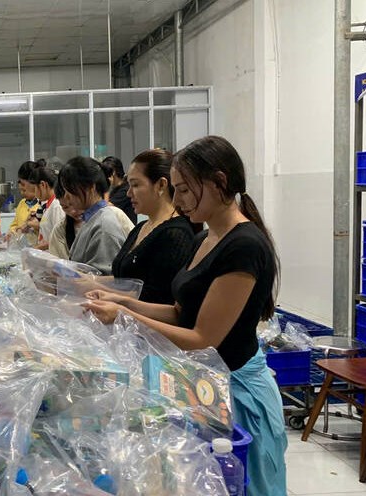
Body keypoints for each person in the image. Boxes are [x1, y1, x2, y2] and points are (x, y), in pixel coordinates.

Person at [83, 135, 287, 496]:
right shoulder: (204, 238)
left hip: (236, 389)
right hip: (206, 386)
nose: (177, 201)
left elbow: (202, 339)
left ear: (219, 183)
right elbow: (180, 313)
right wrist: (124, 302)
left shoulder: (244, 246)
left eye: (184, 190)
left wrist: (124, 317)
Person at [111, 149, 195, 304]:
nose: (129, 193)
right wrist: (90, 281)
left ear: (161, 185)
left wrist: (100, 290)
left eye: (135, 185)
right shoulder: (142, 227)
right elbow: (121, 279)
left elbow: (158, 298)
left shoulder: (175, 234)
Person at [58, 156, 131, 274]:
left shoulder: (104, 225)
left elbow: (101, 280)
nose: (66, 197)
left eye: (69, 190)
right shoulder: (91, 219)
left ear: (90, 187)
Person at [26, 162, 64, 251]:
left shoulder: (56, 206)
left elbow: (61, 238)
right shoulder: (48, 205)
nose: (34, 194)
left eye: (34, 189)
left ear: (43, 185)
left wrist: (38, 248)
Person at [8, 160, 41, 240]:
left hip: (37, 248)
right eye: (20, 190)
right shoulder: (22, 203)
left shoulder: (42, 205)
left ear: (34, 184)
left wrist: (30, 224)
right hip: (22, 247)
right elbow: (15, 224)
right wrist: (11, 233)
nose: (22, 193)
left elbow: (47, 228)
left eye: (24, 190)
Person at [105, 155, 137, 223]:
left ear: (113, 172)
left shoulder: (125, 190)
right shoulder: (117, 189)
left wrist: (106, 185)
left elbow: (105, 208)